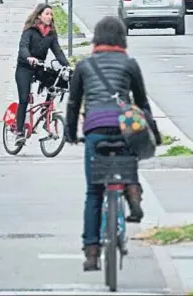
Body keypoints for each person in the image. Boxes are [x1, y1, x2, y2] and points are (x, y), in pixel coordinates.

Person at [65, 16, 160, 271]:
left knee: (93, 192)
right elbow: (142, 104)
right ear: (121, 38)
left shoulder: (84, 65)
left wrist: (70, 134)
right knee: (130, 151)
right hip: (124, 127)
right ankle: (132, 189)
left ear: (96, 38)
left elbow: (73, 103)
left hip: (95, 129)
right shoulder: (130, 64)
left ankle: (92, 252)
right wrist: (155, 133)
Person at [15, 4, 69, 145]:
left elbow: (58, 52)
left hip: (39, 67)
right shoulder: (30, 30)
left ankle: (46, 113)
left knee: (56, 82)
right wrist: (28, 57)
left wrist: (67, 67)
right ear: (39, 15)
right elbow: (23, 47)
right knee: (24, 98)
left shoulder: (50, 33)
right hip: (25, 67)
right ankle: (19, 131)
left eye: (51, 14)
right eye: (47, 14)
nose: (49, 17)